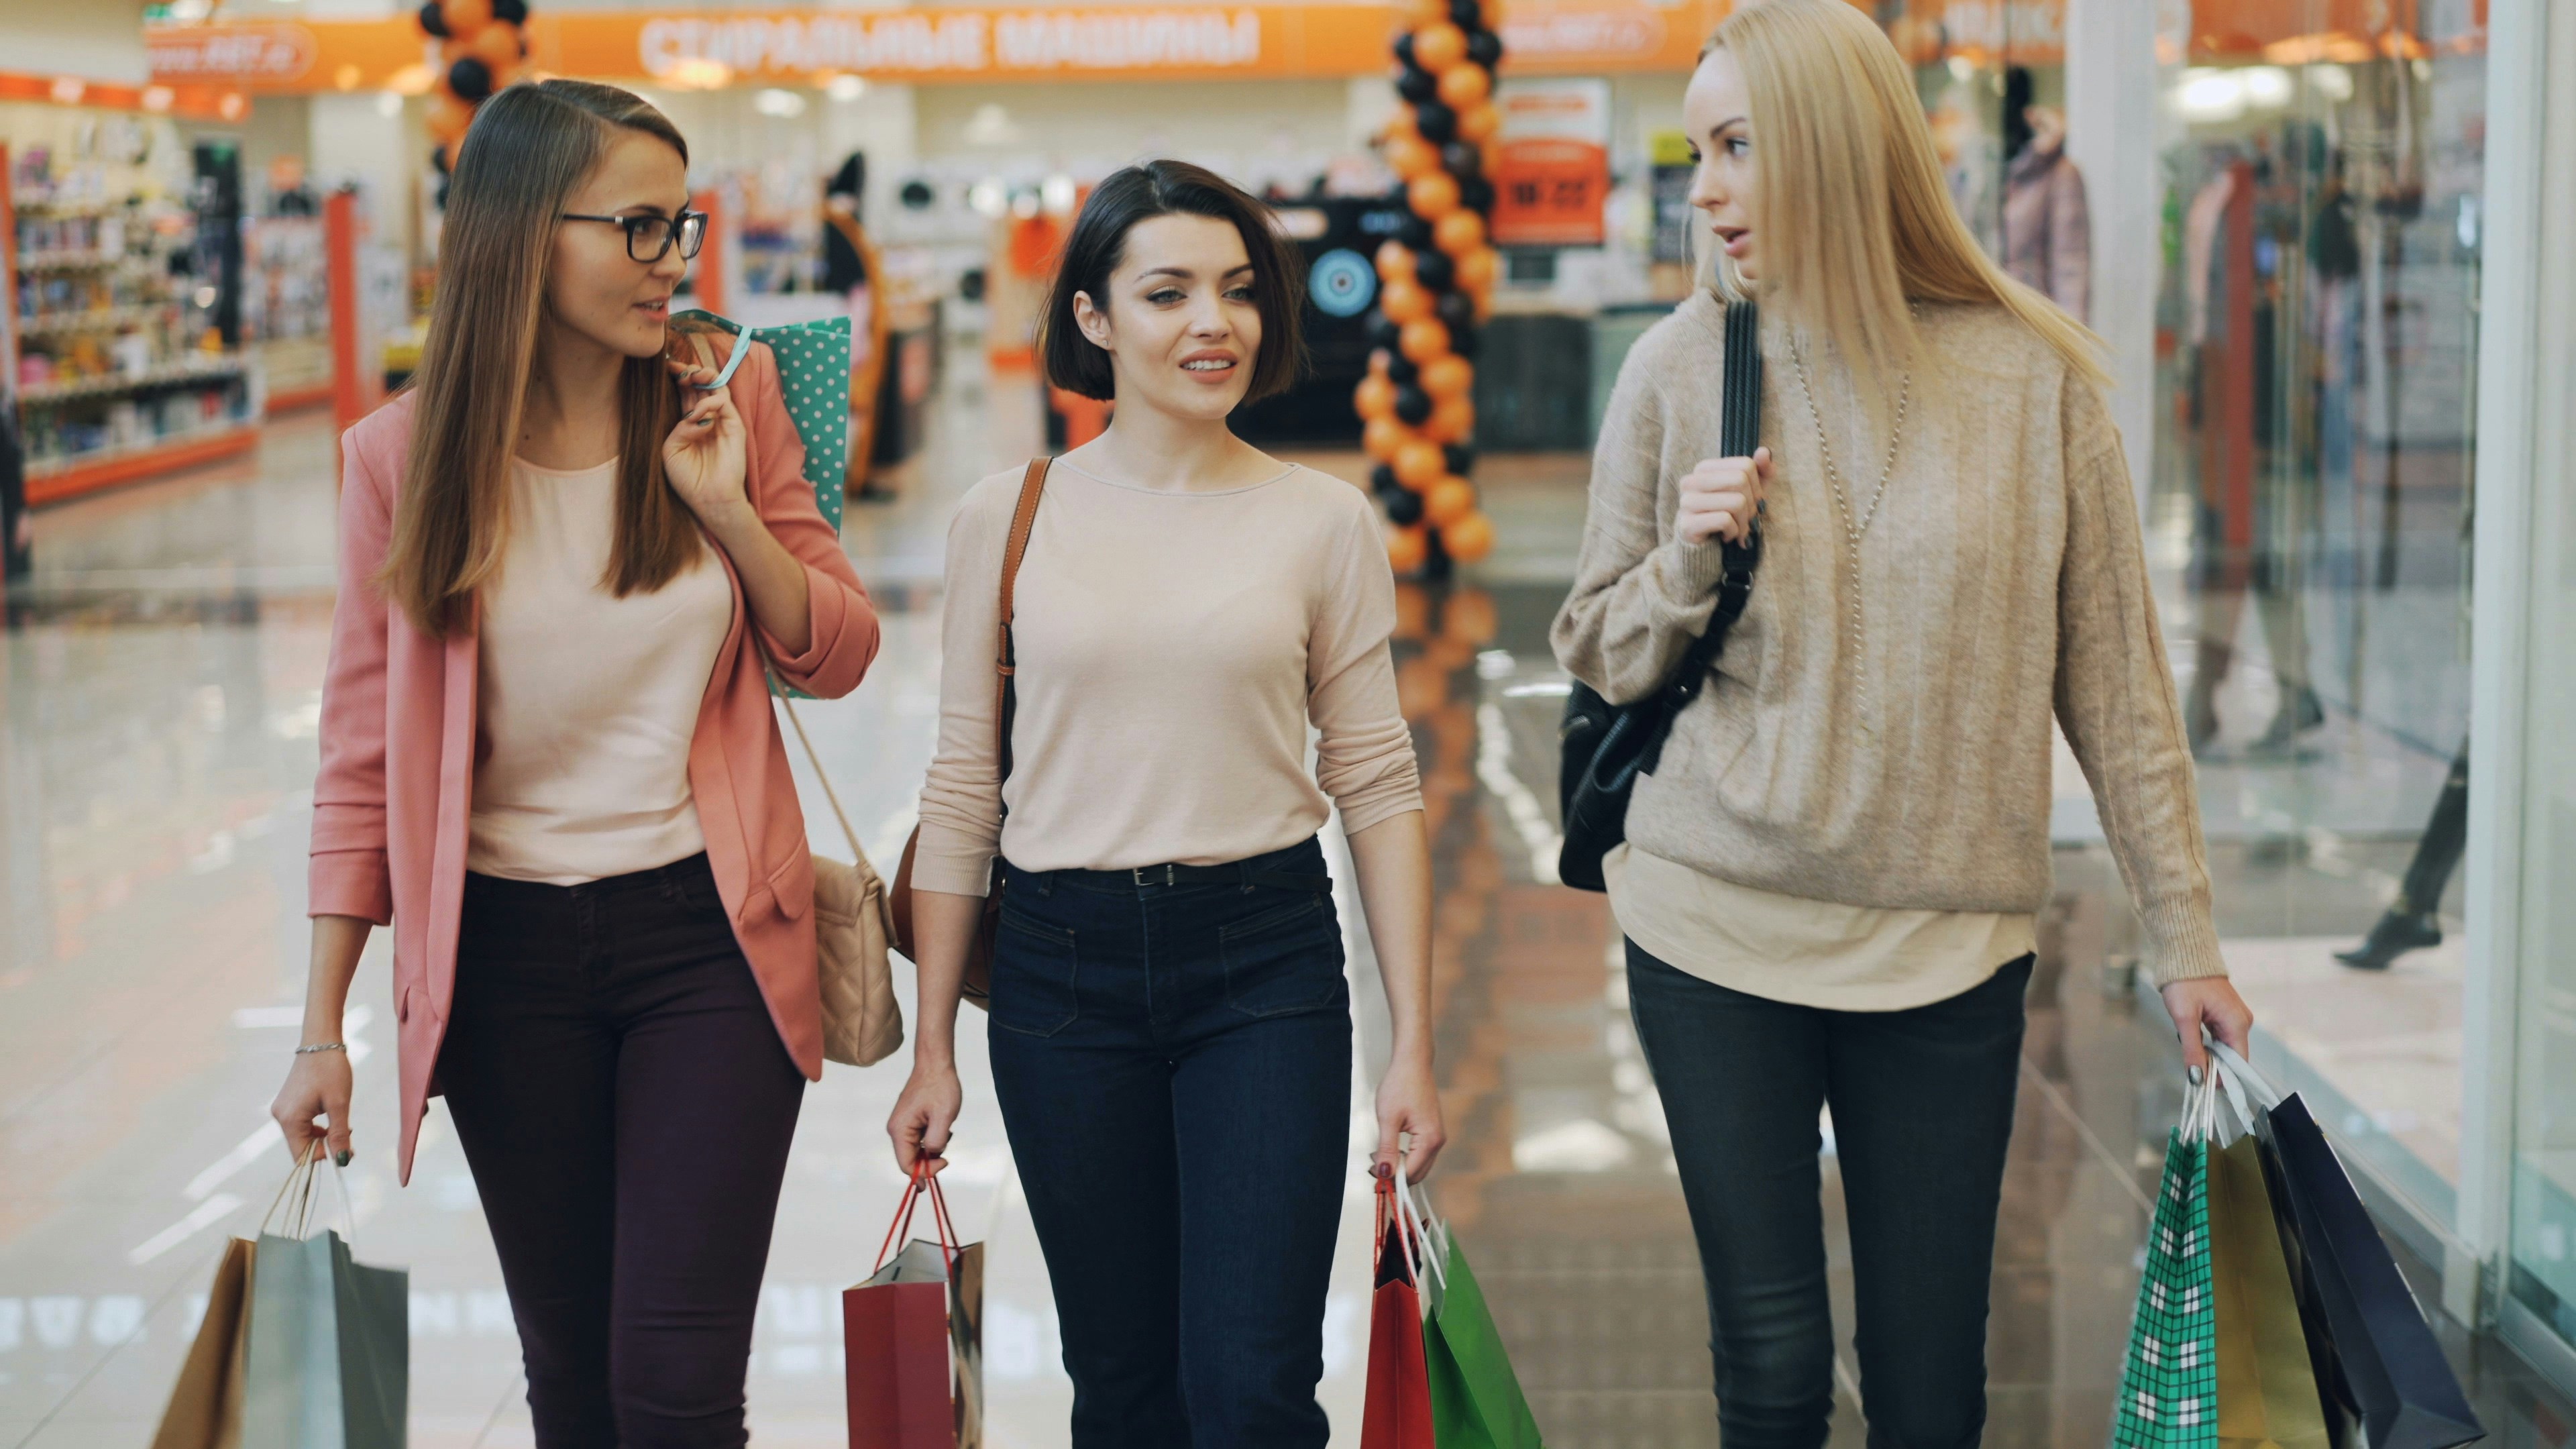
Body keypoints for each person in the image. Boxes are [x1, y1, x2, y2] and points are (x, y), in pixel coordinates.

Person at [1549, 4, 2255, 1445]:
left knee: (1933, 1376)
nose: (1706, 191)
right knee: (1770, 1367)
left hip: (1945, 943)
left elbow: (2119, 684)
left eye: (1738, 147)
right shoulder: (1682, 366)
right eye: (1699, 154)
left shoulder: (2031, 378)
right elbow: (1598, 647)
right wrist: (1686, 560)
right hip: (1712, 920)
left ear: (1836, 143)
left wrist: (2185, 936)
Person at [270, 80, 879, 1447]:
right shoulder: (400, 459)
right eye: (639, 227)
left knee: (675, 1388)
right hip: (501, 966)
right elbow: (360, 760)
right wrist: (321, 1030)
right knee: (575, 1387)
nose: (674, 261)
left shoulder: (730, 391)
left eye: (683, 226)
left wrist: (729, 511)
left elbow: (838, 651)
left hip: (710, 940)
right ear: (522, 233)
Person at [886, 158, 1443, 1448]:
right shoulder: (1005, 517)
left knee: (1252, 1389)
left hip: (1265, 962)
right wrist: (932, 1046)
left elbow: (1376, 779)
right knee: (1123, 1383)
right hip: (1059, 974)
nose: (1214, 323)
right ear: (1092, 317)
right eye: (1168, 292)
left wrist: (1412, 1041)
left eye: (1239, 291)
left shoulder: (1321, 520)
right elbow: (964, 784)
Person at [1998, 65, 2090, 323]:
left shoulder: (2060, 174)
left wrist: (2071, 336)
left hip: (2037, 322)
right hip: (1994, 321)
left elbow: (2071, 265)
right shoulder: (1997, 172)